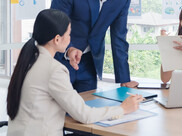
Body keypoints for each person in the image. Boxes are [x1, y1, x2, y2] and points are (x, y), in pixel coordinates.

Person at [6, 9, 143, 136]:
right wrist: (123, 108)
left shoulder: (28, 60)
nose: (70, 39)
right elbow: (85, 115)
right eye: (69, 34)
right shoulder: (54, 69)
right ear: (57, 39)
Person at [51, 0, 138, 93]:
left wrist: (124, 79)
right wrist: (69, 49)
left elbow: (119, 37)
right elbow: (54, 25)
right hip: (62, 59)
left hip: (90, 63)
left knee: (87, 109)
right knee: (60, 111)